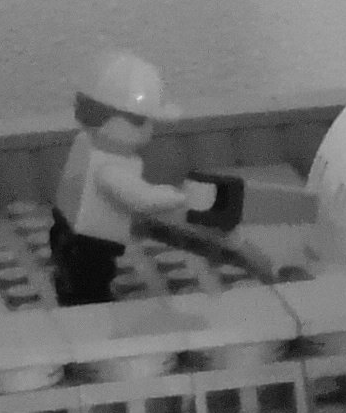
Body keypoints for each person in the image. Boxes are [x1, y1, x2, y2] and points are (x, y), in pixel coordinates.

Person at [47, 51, 247, 308]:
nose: (149, 130)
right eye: (140, 121)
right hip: (89, 244)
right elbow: (140, 199)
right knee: (91, 282)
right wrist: (180, 196)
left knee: (72, 277)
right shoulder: (108, 166)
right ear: (105, 118)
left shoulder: (85, 143)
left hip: (64, 229)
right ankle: (88, 309)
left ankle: (74, 297)